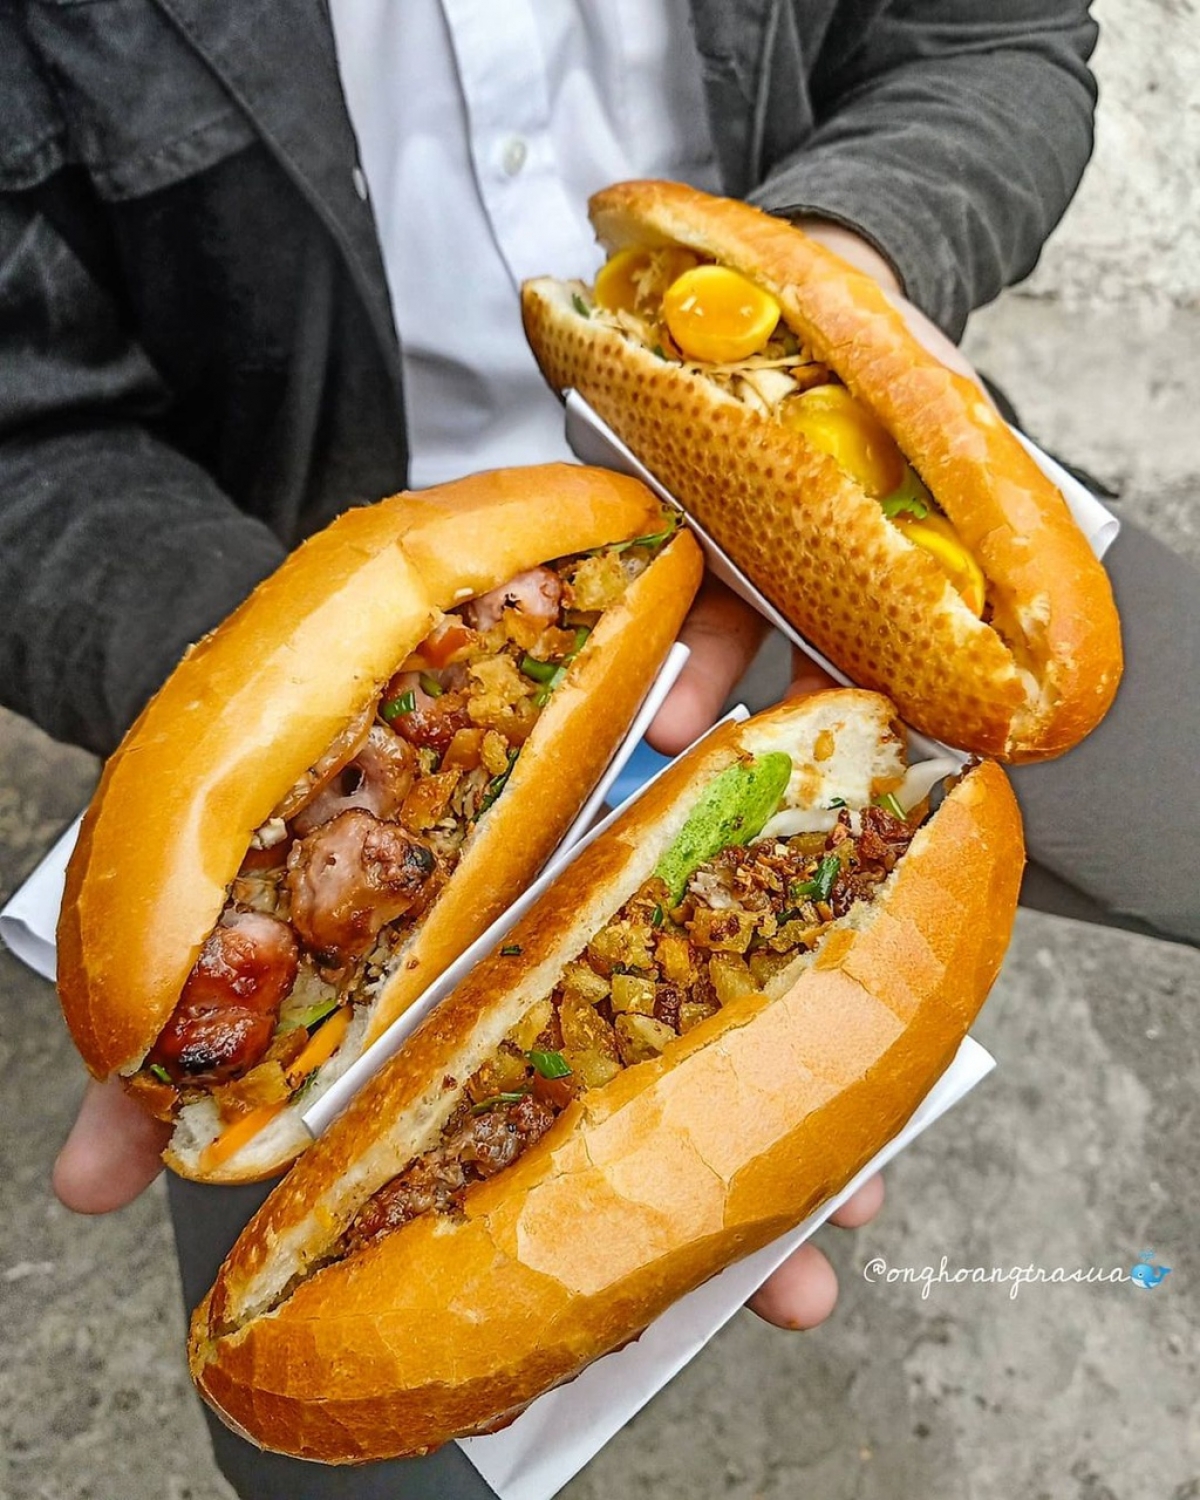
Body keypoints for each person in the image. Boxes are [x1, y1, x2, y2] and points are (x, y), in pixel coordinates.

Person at [3, 2, 1196, 1495]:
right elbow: (23, 437)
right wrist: (268, 674)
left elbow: (997, 37)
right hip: (345, 546)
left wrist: (832, 276)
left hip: (828, 510)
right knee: (351, 1457)